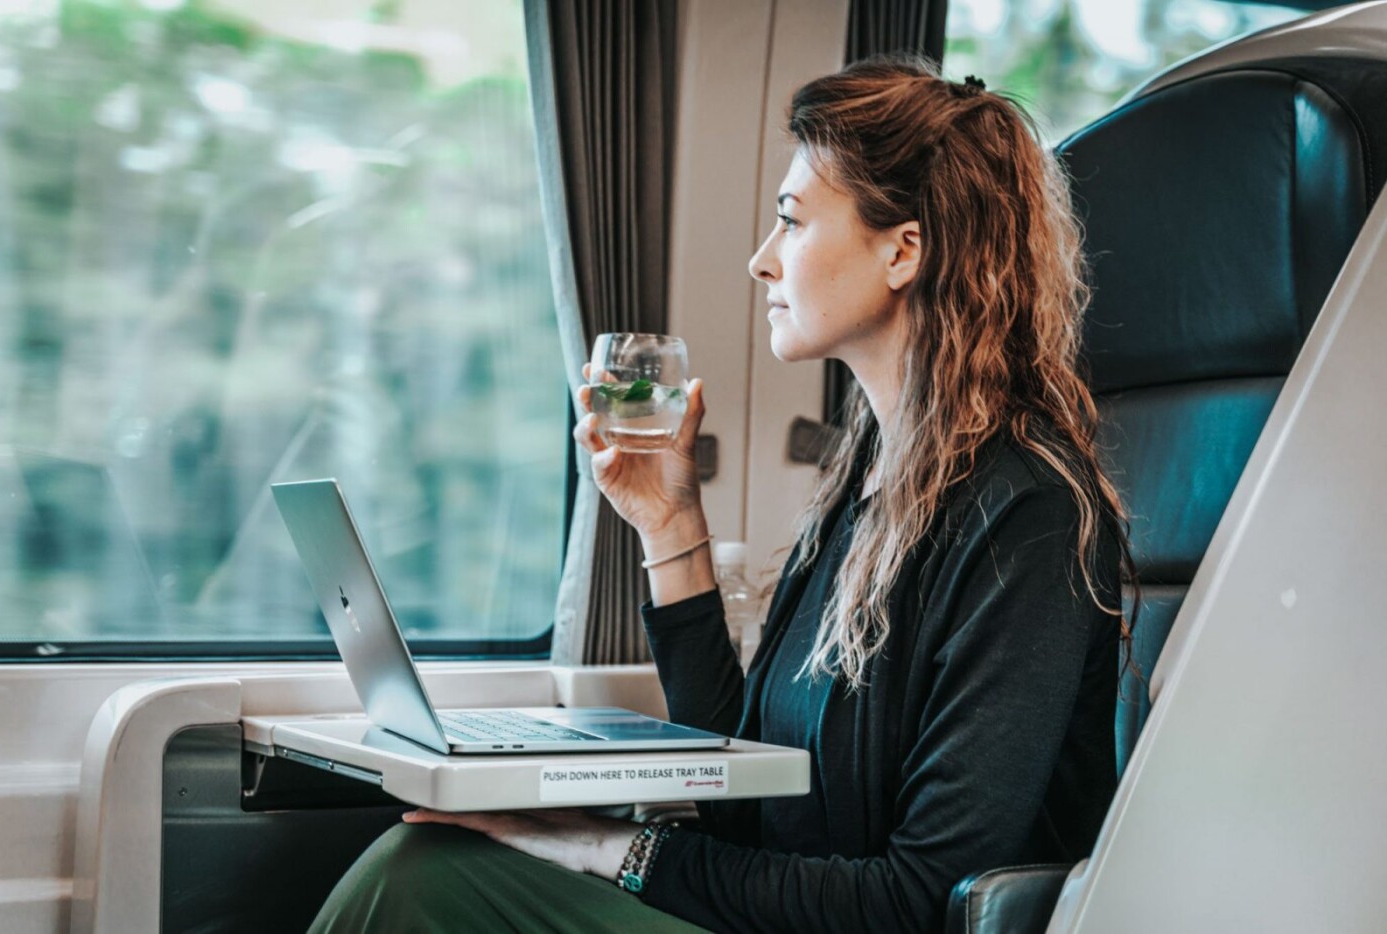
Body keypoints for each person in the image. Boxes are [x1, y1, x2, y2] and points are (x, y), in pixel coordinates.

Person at [308, 54, 1137, 933]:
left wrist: (593, 845)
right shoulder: (872, 485)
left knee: (420, 880)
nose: (761, 261)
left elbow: (916, 898)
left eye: (791, 223)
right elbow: (747, 802)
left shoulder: (1031, 516)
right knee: (433, 853)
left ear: (904, 251)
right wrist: (670, 524)